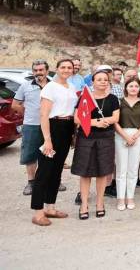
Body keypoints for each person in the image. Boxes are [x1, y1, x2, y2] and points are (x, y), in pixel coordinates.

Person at [29, 59, 78, 226]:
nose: (66, 70)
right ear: (56, 69)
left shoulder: (71, 87)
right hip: (53, 128)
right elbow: (43, 115)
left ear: (73, 70)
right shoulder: (50, 87)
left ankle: (50, 207)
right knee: (44, 171)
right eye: (63, 67)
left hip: (67, 127)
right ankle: (38, 212)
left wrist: (72, 133)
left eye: (69, 67)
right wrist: (47, 140)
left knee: (57, 171)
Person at [72, 68, 120, 219]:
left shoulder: (112, 98)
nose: (103, 82)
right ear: (93, 82)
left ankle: (100, 202)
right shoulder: (85, 97)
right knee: (85, 172)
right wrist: (96, 122)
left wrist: (102, 122)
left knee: (102, 172)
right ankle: (84, 204)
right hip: (86, 138)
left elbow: (115, 118)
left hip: (106, 138)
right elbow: (77, 119)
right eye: (99, 79)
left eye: (105, 80)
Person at [12, 60, 50, 196]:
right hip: (31, 125)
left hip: (51, 125)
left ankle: (51, 180)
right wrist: (28, 112)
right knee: (30, 155)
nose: (38, 72)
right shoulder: (25, 86)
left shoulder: (54, 86)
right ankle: (31, 182)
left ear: (47, 70)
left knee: (50, 154)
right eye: (35, 70)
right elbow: (15, 104)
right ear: (33, 71)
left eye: (41, 70)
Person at [114, 77, 140, 211]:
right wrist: (125, 136)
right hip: (121, 135)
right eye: (131, 86)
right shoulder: (119, 102)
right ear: (126, 88)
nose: (133, 88)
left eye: (136, 86)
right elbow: (115, 121)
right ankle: (120, 199)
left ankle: (130, 197)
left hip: (137, 136)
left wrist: (135, 136)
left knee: (133, 169)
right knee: (121, 168)